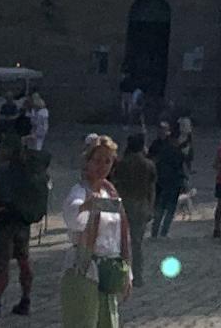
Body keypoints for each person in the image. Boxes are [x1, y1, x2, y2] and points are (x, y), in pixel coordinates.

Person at [60, 135, 131, 328]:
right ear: (88, 161)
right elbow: (73, 216)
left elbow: (121, 234)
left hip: (108, 270)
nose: (102, 166)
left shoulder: (110, 192)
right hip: (84, 268)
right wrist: (86, 205)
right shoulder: (80, 190)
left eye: (107, 161)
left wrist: (127, 272)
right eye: (97, 160)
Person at [0, 117, 50, 319]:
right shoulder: (29, 167)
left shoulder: (2, 169)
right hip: (23, 220)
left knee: (3, 266)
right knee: (24, 261)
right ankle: (25, 299)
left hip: (5, 220)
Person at [110, 135, 156, 285]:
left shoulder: (122, 164)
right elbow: (151, 189)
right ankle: (138, 275)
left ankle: (121, 274)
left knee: (120, 242)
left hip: (124, 204)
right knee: (137, 243)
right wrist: (150, 207)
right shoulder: (148, 165)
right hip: (141, 204)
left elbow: (115, 184)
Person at [149, 123, 187, 239]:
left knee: (162, 208)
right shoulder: (176, 151)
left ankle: (157, 231)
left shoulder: (166, 149)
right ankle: (161, 232)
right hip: (169, 182)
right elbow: (180, 167)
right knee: (167, 208)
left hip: (164, 181)